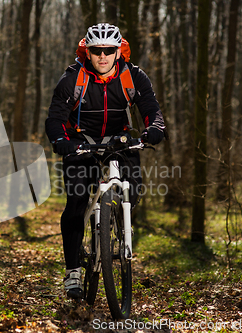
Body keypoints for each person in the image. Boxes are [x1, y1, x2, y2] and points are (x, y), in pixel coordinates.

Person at [45, 23, 166, 299]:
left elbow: (151, 108)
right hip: (81, 143)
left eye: (108, 50)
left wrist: (155, 129)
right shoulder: (72, 78)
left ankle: (120, 226)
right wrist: (61, 141)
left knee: (133, 191)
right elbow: (55, 118)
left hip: (120, 141)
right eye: (96, 50)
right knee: (76, 200)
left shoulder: (133, 77)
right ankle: (73, 271)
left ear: (117, 51)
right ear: (87, 52)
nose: (102, 56)